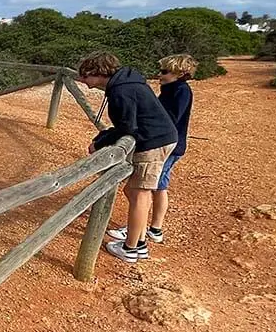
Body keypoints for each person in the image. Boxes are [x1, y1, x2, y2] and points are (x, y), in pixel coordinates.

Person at [75, 51, 177, 263]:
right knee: (134, 190)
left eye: (85, 76)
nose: (82, 80)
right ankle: (138, 240)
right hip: (159, 138)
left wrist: (100, 142)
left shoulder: (121, 91)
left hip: (153, 142)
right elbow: (126, 124)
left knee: (140, 193)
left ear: (97, 72)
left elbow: (127, 127)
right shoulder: (125, 83)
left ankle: (132, 248)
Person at [107, 54, 195, 249]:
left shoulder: (180, 91)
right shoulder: (171, 89)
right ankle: (148, 228)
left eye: (165, 72)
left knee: (148, 189)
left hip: (168, 146)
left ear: (180, 73)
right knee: (156, 187)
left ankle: (145, 230)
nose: (160, 75)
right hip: (171, 144)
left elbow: (170, 118)